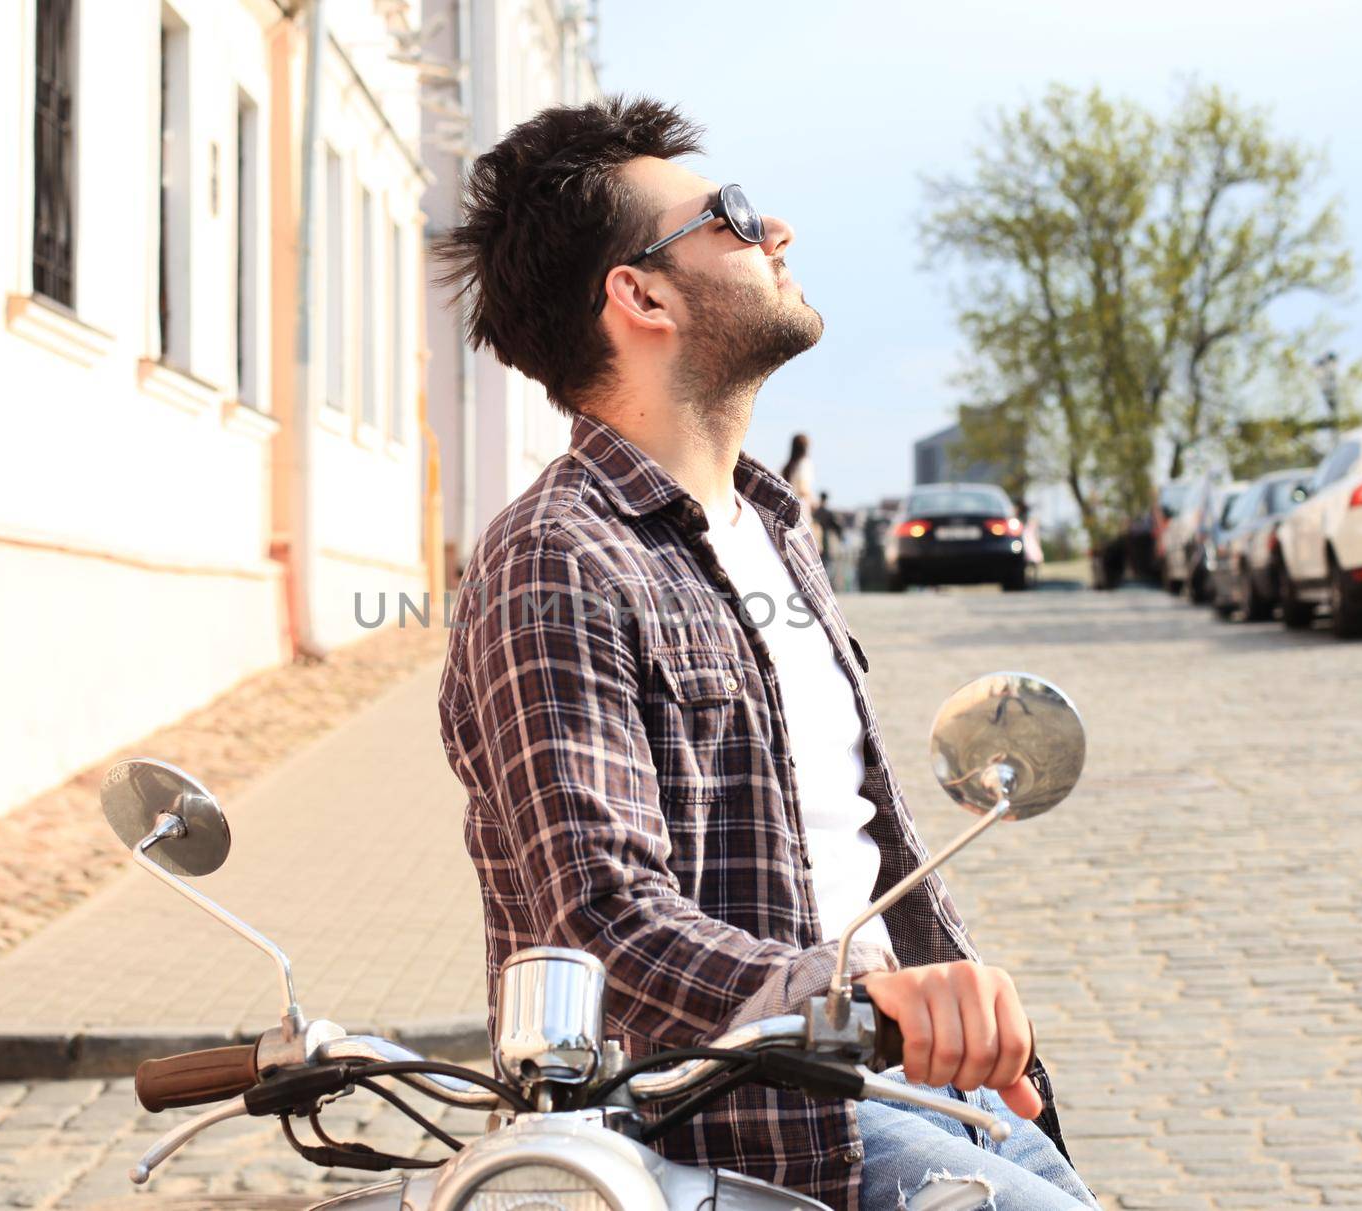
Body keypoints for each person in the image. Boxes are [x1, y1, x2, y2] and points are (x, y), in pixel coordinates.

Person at [433, 96, 1096, 1210]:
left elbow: (849, 839)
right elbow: (599, 915)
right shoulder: (558, 559)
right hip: (744, 1127)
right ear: (638, 294)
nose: (773, 227)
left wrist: (938, 1014)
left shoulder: (772, 525)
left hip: (920, 1087)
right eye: (729, 217)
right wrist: (854, 994)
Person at [782, 432, 820, 536]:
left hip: (787, 507)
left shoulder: (786, 466)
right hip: (802, 509)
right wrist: (815, 501)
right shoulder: (805, 464)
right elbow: (803, 489)